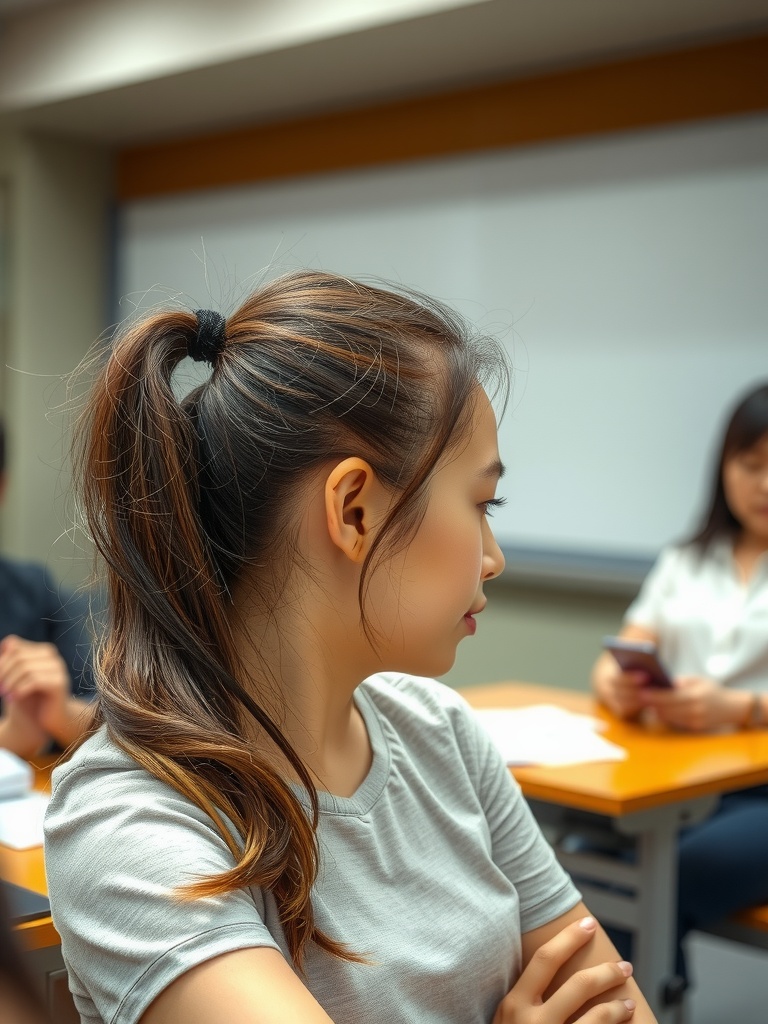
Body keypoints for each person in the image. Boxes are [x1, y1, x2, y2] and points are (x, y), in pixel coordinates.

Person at [45, 271, 654, 1024]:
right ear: (354, 509)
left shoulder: (442, 732)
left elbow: (616, 1005)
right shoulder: (133, 823)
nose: (492, 556)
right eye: (480, 504)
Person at [591, 381, 768, 982]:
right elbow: (630, 642)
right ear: (725, 467)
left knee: (673, 871)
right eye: (751, 464)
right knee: (590, 862)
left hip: (760, 790)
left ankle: (649, 998)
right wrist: (613, 680)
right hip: (679, 777)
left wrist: (743, 708)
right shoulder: (686, 559)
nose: (764, 485)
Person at [0, 420, 94, 758]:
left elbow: (117, 723)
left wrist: (59, 714)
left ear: (3, 488)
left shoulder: (34, 591)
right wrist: (10, 738)